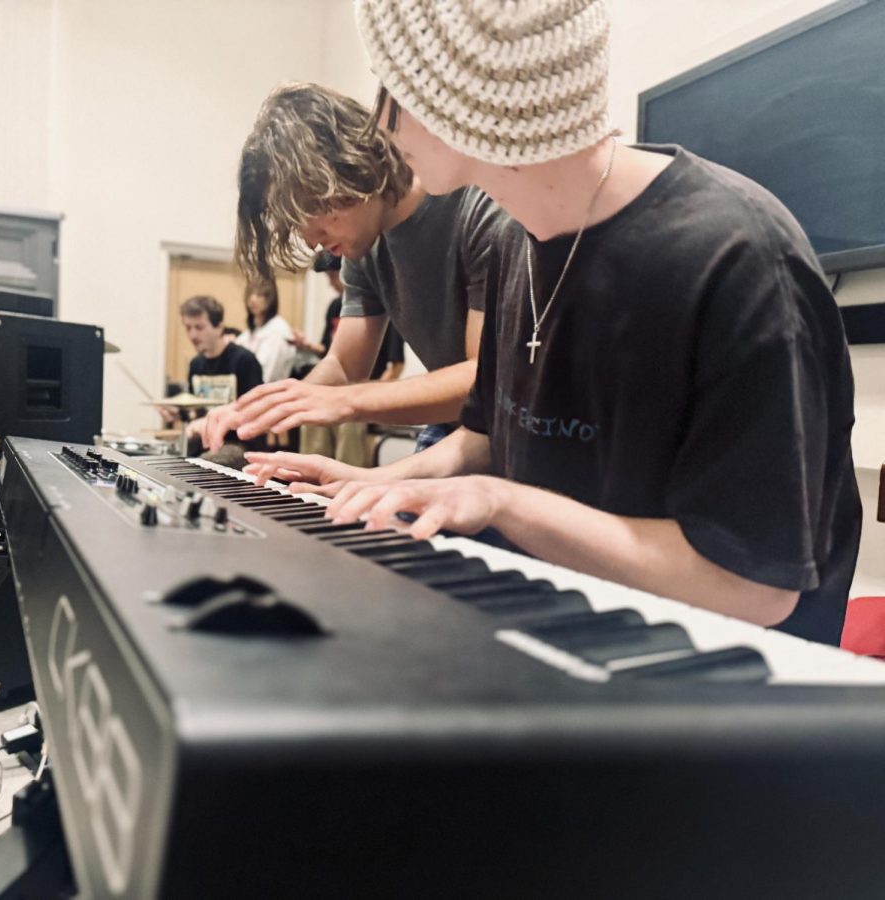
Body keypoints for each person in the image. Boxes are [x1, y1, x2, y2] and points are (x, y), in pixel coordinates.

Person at [247, 0, 861, 646]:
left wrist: (503, 502)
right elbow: (485, 438)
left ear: (461, 97)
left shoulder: (739, 258)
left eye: (391, 94)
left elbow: (755, 589)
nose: (380, 126)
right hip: (580, 627)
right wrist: (374, 484)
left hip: (726, 680)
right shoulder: (518, 243)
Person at [205, 81, 506, 454]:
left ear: (346, 168)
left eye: (310, 211)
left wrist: (345, 403)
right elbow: (346, 367)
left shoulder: (477, 209)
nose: (312, 240)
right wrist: (270, 404)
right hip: (456, 431)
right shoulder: (362, 243)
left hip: (512, 437)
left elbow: (485, 381)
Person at [296, 250, 405, 466]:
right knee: (311, 418)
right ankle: (309, 481)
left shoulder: (385, 306)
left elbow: (396, 367)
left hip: (364, 390)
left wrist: (372, 398)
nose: (330, 284)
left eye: (332, 277)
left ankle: (344, 484)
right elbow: (332, 357)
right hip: (339, 389)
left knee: (348, 423)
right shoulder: (336, 307)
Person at [168, 295, 262, 458]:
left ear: (219, 327)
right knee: (169, 454)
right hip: (206, 441)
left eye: (199, 327)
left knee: (205, 461)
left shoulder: (244, 360)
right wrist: (177, 413)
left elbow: (256, 411)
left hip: (239, 443)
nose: (192, 335)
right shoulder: (195, 365)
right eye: (188, 327)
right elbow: (195, 412)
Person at [235, 277, 295, 384]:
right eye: (250, 294)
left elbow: (267, 376)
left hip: (270, 393)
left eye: (259, 295)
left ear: (270, 299)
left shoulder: (278, 330)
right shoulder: (251, 332)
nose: (253, 299)